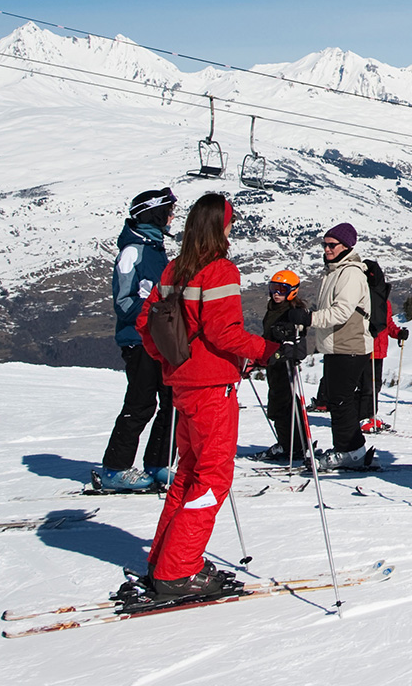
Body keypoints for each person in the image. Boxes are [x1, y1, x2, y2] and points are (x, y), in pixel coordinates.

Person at [134, 192, 283, 599]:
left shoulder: (172, 270)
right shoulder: (218, 270)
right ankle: (178, 570)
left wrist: (171, 360)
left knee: (188, 473)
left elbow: (146, 323)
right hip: (212, 387)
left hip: (183, 384)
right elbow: (224, 333)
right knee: (213, 478)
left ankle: (165, 558)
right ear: (221, 226)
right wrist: (270, 351)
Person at [98, 188, 177, 492]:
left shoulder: (156, 249)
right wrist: (159, 311)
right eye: (168, 211)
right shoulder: (134, 251)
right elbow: (125, 301)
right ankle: (115, 468)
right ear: (154, 214)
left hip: (160, 339)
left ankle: (158, 463)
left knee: (170, 402)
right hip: (140, 339)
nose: (171, 217)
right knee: (141, 403)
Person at [305, 222, 373, 470]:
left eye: (332, 245)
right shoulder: (334, 272)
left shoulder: (350, 273)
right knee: (338, 400)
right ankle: (349, 448)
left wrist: (309, 319)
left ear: (346, 246)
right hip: (337, 346)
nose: (326, 249)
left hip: (349, 345)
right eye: (324, 244)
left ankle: (350, 451)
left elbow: (341, 312)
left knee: (341, 400)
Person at [259, 270, 311, 464]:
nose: (276, 293)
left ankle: (293, 445)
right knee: (278, 400)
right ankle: (291, 443)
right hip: (273, 363)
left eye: (282, 289)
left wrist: (285, 348)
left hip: (284, 363)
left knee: (282, 403)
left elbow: (299, 345)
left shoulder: (293, 312)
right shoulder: (272, 309)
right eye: (273, 288)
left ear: (292, 291)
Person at [359, 259, 409, 434]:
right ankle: (362, 417)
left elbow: (387, 323)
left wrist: (398, 333)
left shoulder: (383, 302)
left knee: (375, 385)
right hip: (365, 348)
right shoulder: (362, 299)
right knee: (366, 386)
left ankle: (371, 416)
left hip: (379, 350)